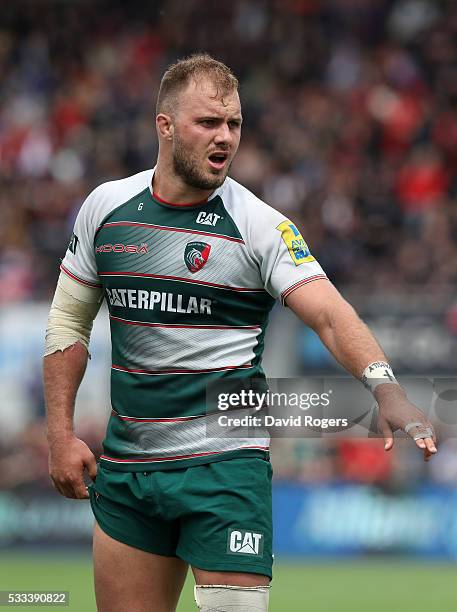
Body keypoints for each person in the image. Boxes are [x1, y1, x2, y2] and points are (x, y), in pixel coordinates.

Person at [43, 54, 437, 612]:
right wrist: (59, 434)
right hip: (129, 470)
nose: (225, 137)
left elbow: (328, 313)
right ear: (166, 126)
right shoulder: (106, 209)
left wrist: (384, 386)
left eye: (234, 124)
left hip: (225, 469)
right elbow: (67, 324)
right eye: (208, 123)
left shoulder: (259, 225)